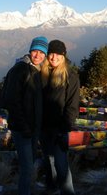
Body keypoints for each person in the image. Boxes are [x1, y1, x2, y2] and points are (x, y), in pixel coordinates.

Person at [0, 36, 48, 195]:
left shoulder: (38, 70)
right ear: (30, 51)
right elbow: (10, 100)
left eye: (42, 53)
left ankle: (26, 190)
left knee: (30, 164)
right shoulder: (20, 69)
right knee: (27, 166)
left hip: (33, 128)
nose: (38, 55)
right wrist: (24, 126)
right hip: (23, 128)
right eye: (35, 51)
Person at [40, 40, 80, 195]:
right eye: (51, 53)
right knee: (49, 162)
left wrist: (64, 129)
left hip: (60, 129)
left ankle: (68, 192)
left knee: (61, 165)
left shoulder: (71, 76)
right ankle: (52, 190)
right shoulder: (42, 73)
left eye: (58, 54)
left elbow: (72, 106)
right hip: (43, 128)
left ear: (63, 56)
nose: (54, 57)